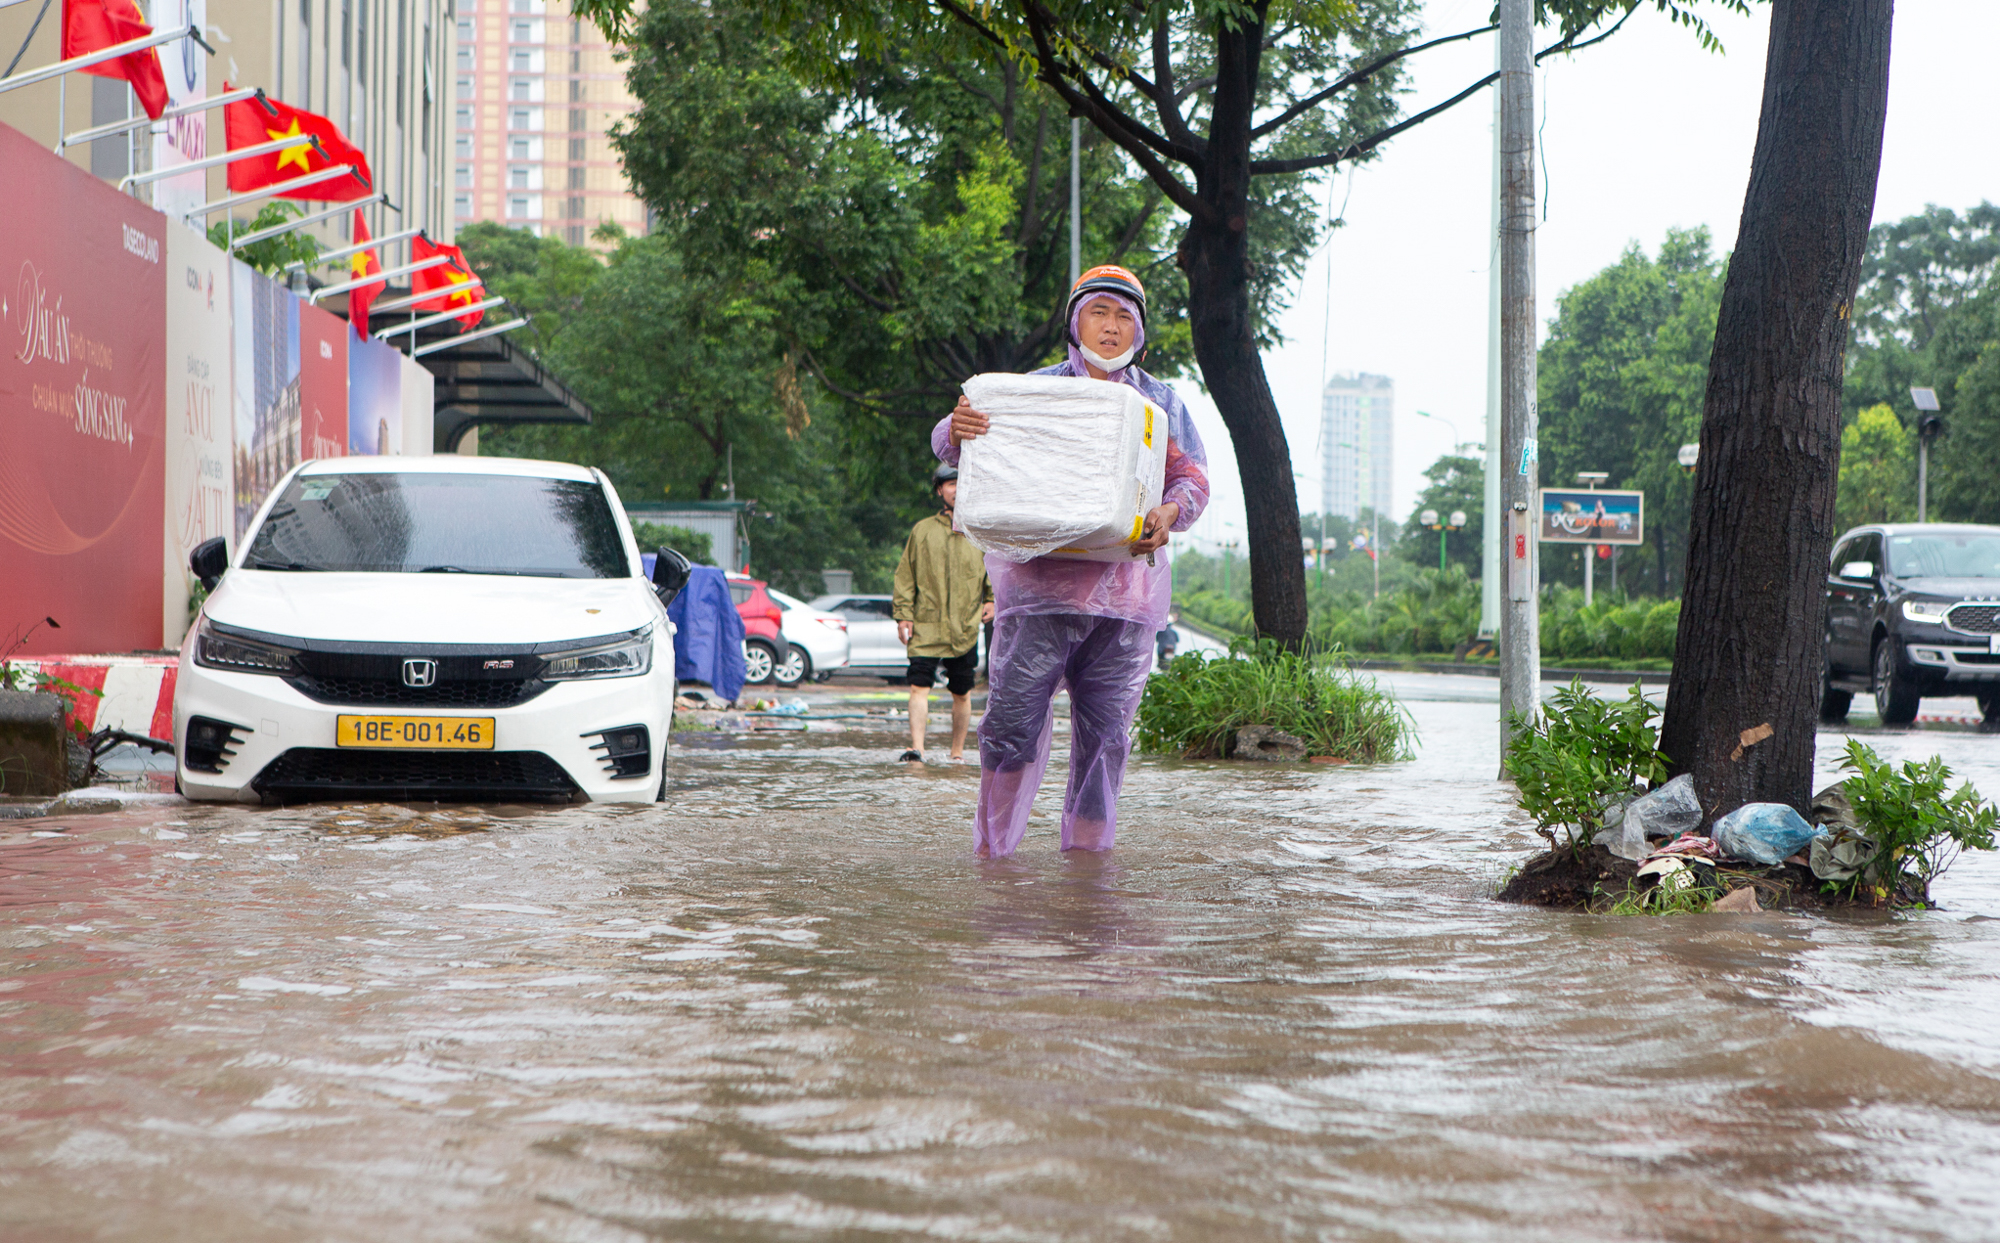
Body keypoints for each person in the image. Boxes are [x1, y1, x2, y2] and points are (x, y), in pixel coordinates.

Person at [937, 264, 1210, 857]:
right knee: (1009, 729)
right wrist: (956, 429)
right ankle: (994, 858)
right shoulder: (1036, 389)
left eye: (1124, 317)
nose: (1111, 328)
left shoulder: (1162, 401)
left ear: (1139, 329)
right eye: (1099, 312)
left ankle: (1088, 873)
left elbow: (1192, 482)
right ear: (1075, 320)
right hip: (1038, 592)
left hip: (1125, 602)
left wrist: (1167, 515)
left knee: (1107, 738)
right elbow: (955, 439)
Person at [891, 462, 994, 764]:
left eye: (962, 483)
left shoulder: (979, 531)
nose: (956, 489)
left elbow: (994, 570)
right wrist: (903, 615)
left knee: (962, 692)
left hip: (965, 626)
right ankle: (918, 749)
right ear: (939, 490)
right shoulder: (922, 531)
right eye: (950, 484)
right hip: (927, 624)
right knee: (918, 686)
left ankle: (957, 754)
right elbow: (905, 576)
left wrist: (991, 598)